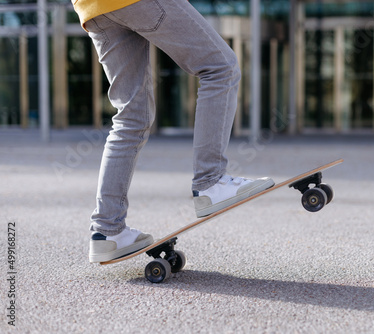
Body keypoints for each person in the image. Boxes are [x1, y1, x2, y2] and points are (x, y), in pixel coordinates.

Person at [71, 0, 274, 263]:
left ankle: (107, 231)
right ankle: (211, 181)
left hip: (93, 7)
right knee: (220, 68)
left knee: (131, 116)